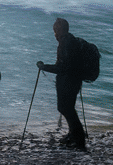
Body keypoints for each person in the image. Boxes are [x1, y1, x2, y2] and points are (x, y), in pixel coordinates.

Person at [37, 18, 87, 150]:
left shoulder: (66, 43)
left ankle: (79, 139)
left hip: (68, 81)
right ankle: (73, 135)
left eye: (56, 30)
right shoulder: (71, 40)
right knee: (67, 108)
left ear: (61, 30)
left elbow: (63, 68)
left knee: (66, 108)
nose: (54, 34)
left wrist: (44, 67)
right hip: (73, 80)